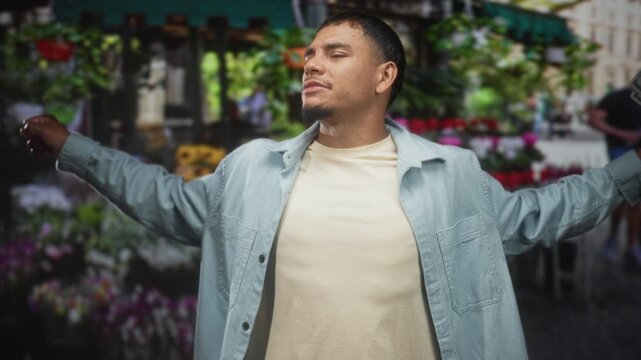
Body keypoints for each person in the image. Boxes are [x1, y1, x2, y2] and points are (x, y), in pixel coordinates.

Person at [20, 11, 641, 360]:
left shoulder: (451, 175)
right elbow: (169, 202)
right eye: (311, 52)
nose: (311, 62)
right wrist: (75, 148)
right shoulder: (251, 169)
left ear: (384, 75)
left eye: (335, 52)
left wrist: (631, 169)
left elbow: (544, 213)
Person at [588, 86, 641, 266]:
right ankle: (615, 239)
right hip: (620, 150)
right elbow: (594, 119)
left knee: (634, 200)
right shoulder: (616, 97)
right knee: (624, 197)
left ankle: (630, 244)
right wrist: (623, 134)